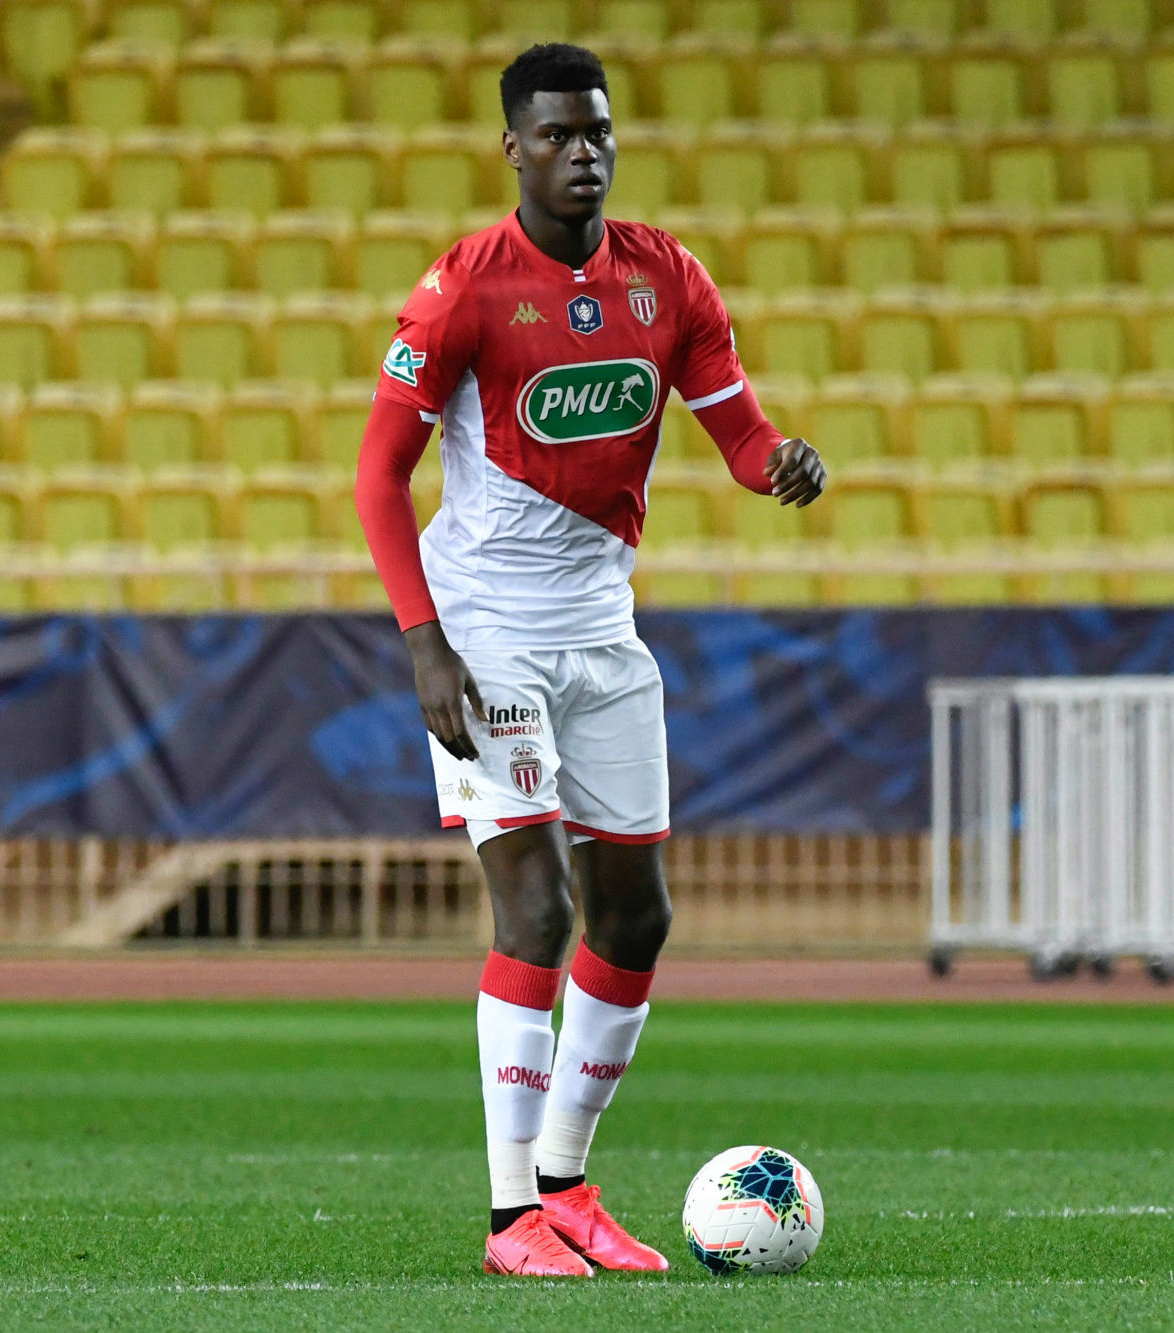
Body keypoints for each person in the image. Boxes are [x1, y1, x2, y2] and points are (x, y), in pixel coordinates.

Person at [354, 42, 827, 1279]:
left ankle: (566, 1182)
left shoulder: (666, 277)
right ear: (512, 146)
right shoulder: (462, 290)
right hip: (489, 636)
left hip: (602, 633)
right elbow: (374, 479)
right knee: (539, 903)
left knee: (638, 912)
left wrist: (776, 462)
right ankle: (511, 1214)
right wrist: (425, 645)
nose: (585, 153)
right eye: (558, 134)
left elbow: (734, 426)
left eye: (600, 132)